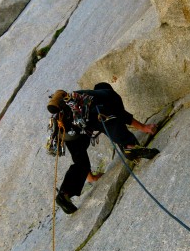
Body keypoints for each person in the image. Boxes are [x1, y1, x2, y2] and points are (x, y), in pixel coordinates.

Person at [47, 82, 159, 214]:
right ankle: (129, 147)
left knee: (80, 162)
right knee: (108, 117)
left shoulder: (70, 104)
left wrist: (91, 177)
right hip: (88, 117)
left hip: (66, 130)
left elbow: (77, 151)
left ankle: (64, 193)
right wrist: (143, 127)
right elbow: (120, 113)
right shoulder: (105, 94)